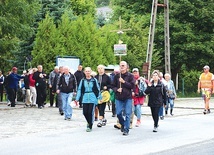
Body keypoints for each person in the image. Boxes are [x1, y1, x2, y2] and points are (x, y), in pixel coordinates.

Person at [112, 61, 135, 136]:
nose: (121, 67)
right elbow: (112, 86)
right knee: (118, 113)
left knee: (128, 113)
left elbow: (132, 86)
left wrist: (124, 82)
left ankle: (126, 129)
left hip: (127, 97)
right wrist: (116, 89)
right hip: (119, 97)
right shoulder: (117, 76)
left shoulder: (130, 76)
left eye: (123, 65)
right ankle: (123, 124)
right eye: (120, 65)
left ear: (126, 67)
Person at [75, 67, 101, 132]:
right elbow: (79, 89)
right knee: (85, 112)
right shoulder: (83, 80)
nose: (87, 72)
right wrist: (77, 98)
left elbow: (97, 89)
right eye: (86, 71)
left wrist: (99, 97)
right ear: (84, 72)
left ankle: (90, 125)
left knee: (90, 112)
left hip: (92, 97)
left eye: (89, 71)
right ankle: (89, 122)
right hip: (85, 97)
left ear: (91, 72)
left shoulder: (94, 80)